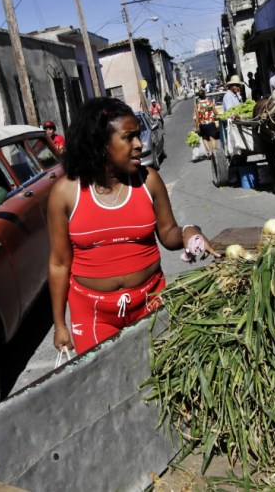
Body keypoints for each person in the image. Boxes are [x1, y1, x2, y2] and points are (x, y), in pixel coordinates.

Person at [47, 97, 219, 355]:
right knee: (107, 386)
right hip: (94, 314)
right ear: (101, 144)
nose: (139, 144)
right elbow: (59, 263)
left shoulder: (149, 181)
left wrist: (188, 232)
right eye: (128, 137)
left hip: (151, 301)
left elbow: (168, 233)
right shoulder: (65, 193)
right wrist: (60, 324)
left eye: (138, 135)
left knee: (162, 378)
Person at [194, 89, 218, 158]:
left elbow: (197, 117)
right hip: (211, 123)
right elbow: (215, 112)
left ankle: (210, 152)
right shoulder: (210, 103)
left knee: (204, 138)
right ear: (205, 95)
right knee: (212, 138)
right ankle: (214, 152)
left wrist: (196, 126)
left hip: (202, 124)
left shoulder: (197, 105)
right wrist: (216, 116)